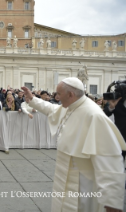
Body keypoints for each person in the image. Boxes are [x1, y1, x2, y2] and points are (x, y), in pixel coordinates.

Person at [22, 77, 126, 212]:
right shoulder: (72, 106)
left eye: (59, 94)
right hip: (64, 178)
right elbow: (52, 109)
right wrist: (32, 99)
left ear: (70, 94)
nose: (57, 97)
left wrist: (112, 201)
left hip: (83, 187)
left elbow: (110, 160)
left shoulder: (94, 115)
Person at [104, 94, 126, 162]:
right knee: (120, 160)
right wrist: (111, 107)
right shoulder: (117, 102)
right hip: (121, 136)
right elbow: (104, 114)